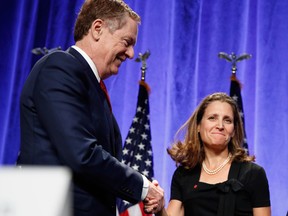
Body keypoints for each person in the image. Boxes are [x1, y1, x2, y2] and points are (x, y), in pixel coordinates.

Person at [17, 0, 164, 215]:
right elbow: (81, 154)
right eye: (127, 41)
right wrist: (143, 188)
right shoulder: (59, 68)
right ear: (97, 29)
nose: (131, 54)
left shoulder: (93, 88)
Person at [144, 92, 271, 216]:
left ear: (233, 131)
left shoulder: (253, 174)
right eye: (212, 118)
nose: (220, 126)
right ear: (198, 126)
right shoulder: (183, 174)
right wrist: (160, 209)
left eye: (227, 120)